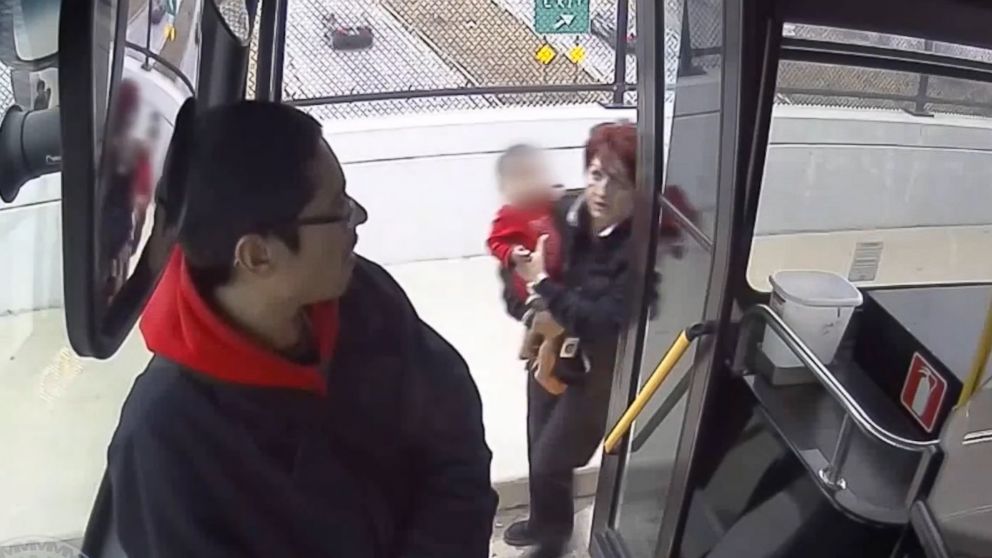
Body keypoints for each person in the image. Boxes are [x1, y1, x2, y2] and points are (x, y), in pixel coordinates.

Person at [87, 100, 498, 557]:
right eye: (337, 210)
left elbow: (455, 436)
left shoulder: (363, 296)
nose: (358, 220)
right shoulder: (165, 444)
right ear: (258, 256)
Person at [501, 121, 641, 558]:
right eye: (596, 174)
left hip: (594, 370)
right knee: (536, 439)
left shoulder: (638, 249)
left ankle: (554, 541)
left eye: (617, 181)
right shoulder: (561, 213)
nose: (601, 189)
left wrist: (542, 284)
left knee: (553, 459)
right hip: (549, 352)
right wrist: (521, 282)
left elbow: (602, 320)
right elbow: (513, 273)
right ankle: (548, 522)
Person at [486, 144, 566, 393]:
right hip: (530, 289)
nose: (529, 184)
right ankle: (544, 370)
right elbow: (494, 242)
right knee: (546, 330)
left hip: (553, 281)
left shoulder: (549, 206)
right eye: (520, 178)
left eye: (534, 175)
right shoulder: (509, 215)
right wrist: (511, 254)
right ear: (505, 188)